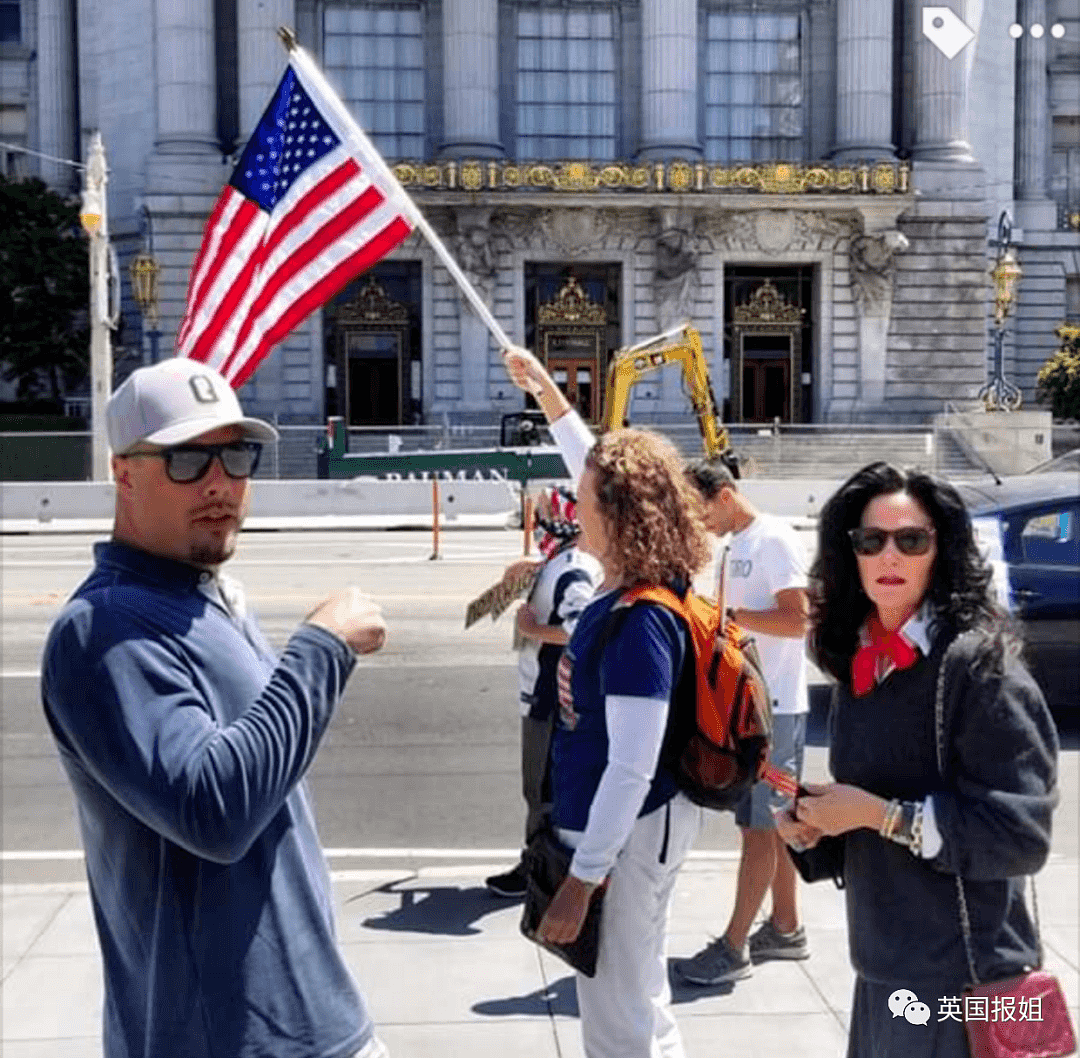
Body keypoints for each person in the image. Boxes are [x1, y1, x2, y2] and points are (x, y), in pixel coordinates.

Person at [41, 358, 390, 1058]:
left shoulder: (204, 593)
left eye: (235, 455)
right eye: (187, 459)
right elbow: (213, 808)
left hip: (314, 1021)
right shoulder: (104, 628)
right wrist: (319, 650)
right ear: (123, 472)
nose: (219, 483)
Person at [777, 461, 1059, 1058]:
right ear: (847, 552)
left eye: (911, 540)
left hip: (964, 982)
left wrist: (879, 815)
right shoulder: (862, 663)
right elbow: (871, 807)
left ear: (941, 550)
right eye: (870, 540)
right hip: (885, 969)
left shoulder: (979, 669)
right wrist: (816, 829)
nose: (889, 556)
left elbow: (1021, 838)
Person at [503, 344, 711, 1058]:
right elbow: (594, 463)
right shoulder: (641, 579)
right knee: (640, 997)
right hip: (638, 827)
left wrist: (581, 883)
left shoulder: (639, 620)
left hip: (625, 832)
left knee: (619, 1021)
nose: (572, 505)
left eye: (584, 499)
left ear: (616, 515)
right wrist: (548, 396)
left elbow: (631, 765)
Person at [673, 456, 812, 985]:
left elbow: (799, 620)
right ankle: (785, 926)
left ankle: (733, 947)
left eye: (700, 509)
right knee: (771, 824)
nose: (699, 521)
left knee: (759, 829)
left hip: (772, 712)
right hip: (751, 707)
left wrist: (729, 621)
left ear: (725, 494)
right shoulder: (735, 544)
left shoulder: (772, 540)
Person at [486, 485, 602, 897]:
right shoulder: (558, 561)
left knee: (542, 789)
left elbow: (581, 630)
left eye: (538, 517)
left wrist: (533, 629)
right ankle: (541, 865)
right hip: (542, 692)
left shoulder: (572, 569)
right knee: (540, 787)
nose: (532, 524)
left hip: (551, 697)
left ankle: (540, 870)